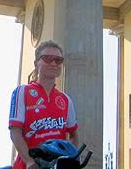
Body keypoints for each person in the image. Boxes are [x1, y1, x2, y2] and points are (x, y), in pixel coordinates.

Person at [9, 40, 78, 169]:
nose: (53, 63)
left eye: (58, 60)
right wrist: (29, 161)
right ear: (36, 63)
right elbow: (15, 132)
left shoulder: (66, 99)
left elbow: (73, 134)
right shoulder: (21, 92)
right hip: (27, 165)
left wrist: (72, 158)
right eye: (47, 58)